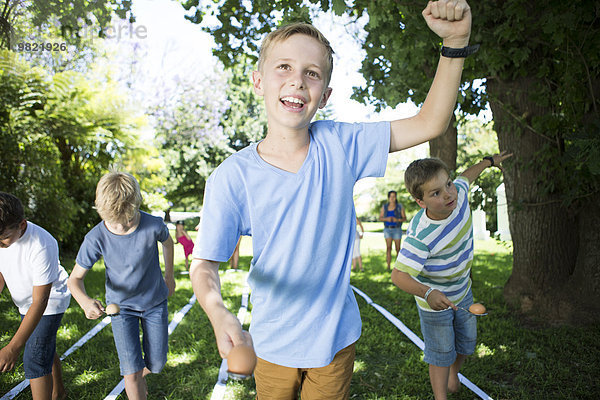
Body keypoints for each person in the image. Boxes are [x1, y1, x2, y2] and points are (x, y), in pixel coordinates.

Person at [190, 2, 473, 397]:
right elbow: (204, 265)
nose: (297, 81)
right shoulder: (231, 176)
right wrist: (219, 314)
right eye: (283, 67)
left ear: (324, 95)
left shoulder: (340, 144)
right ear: (258, 81)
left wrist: (455, 44)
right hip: (271, 343)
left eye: (312, 73)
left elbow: (429, 122)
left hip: (335, 339)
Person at [391, 152, 512, 400]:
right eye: (435, 193)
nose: (448, 194)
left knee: (468, 342)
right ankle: (440, 396)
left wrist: (488, 162)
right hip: (433, 302)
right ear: (420, 201)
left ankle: (453, 372)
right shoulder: (421, 236)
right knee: (440, 351)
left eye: (447, 185)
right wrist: (427, 292)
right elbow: (398, 275)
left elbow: (466, 177)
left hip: (463, 292)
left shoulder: (459, 195)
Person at [67, 172, 175, 400]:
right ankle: (135, 378)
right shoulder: (95, 237)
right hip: (120, 308)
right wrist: (85, 302)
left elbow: (168, 243)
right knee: (131, 370)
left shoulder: (153, 225)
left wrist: (169, 276)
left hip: (154, 303)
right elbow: (74, 280)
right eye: (112, 223)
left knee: (156, 363)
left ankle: (140, 375)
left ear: (136, 205)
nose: (120, 227)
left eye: (126, 221)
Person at [0, 192, 70, 400]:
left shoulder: (42, 244)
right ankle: (59, 394)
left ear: (22, 225)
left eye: (3, 240)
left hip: (50, 301)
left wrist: (13, 347)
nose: (0, 245)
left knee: (35, 357)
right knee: (43, 343)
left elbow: (40, 300)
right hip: (26, 303)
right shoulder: (2, 237)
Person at [379, 190, 407, 270]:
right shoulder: (384, 207)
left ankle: (398, 267)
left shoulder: (400, 207)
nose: (392, 198)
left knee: (398, 249)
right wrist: (386, 218)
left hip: (397, 230)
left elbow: (404, 218)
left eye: (394, 196)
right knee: (388, 248)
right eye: (391, 196)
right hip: (388, 230)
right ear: (388, 198)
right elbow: (380, 218)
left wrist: (397, 220)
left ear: (396, 197)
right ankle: (388, 266)